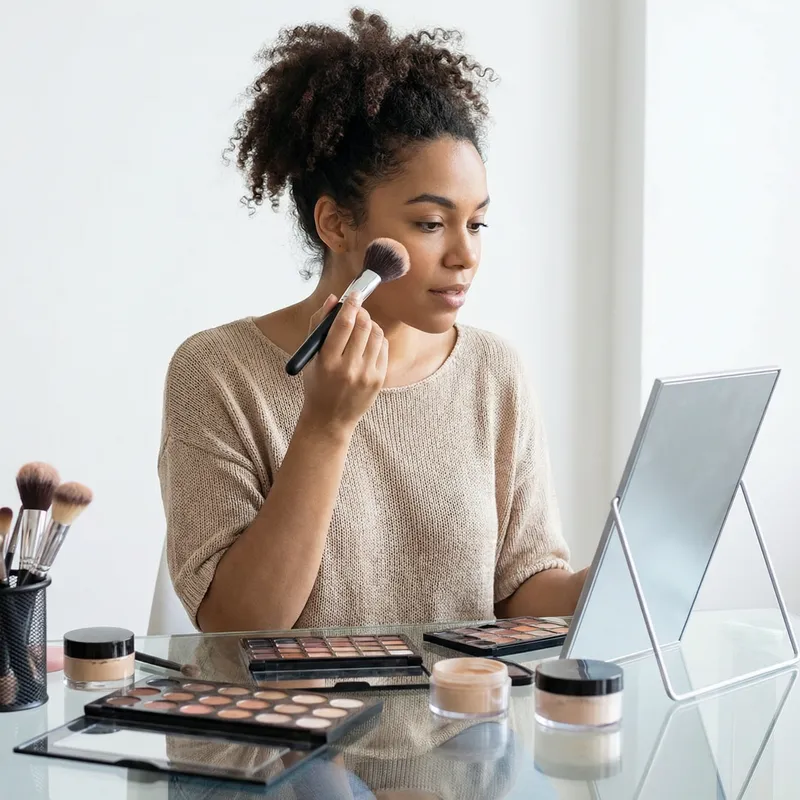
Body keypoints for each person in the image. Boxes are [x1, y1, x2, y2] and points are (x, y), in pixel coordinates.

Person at [158, 8, 587, 633]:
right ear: (336, 224)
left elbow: (519, 590)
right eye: (431, 224)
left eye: (477, 223)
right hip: (299, 730)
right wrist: (325, 426)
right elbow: (235, 627)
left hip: (463, 727)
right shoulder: (218, 372)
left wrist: (610, 580)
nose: (465, 254)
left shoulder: (495, 370)